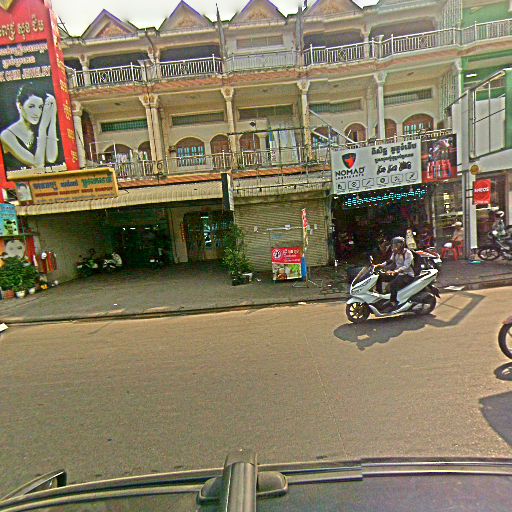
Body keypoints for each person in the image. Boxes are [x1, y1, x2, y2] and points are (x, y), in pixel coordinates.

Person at [0, 82, 58, 172]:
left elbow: (51, 158)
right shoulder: (6, 135)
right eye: (31, 106)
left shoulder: (36, 129)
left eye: (40, 107)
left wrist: (53, 116)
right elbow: (38, 164)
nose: (37, 112)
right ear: (19, 106)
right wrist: (42, 129)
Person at [375, 236, 415, 309]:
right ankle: (379, 296)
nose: (395, 247)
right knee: (379, 276)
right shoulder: (395, 253)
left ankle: (394, 302)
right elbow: (390, 261)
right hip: (397, 273)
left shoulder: (408, 253)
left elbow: (406, 266)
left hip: (407, 275)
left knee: (393, 284)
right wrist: (380, 265)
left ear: (402, 245)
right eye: (394, 245)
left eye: (397, 245)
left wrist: (395, 271)